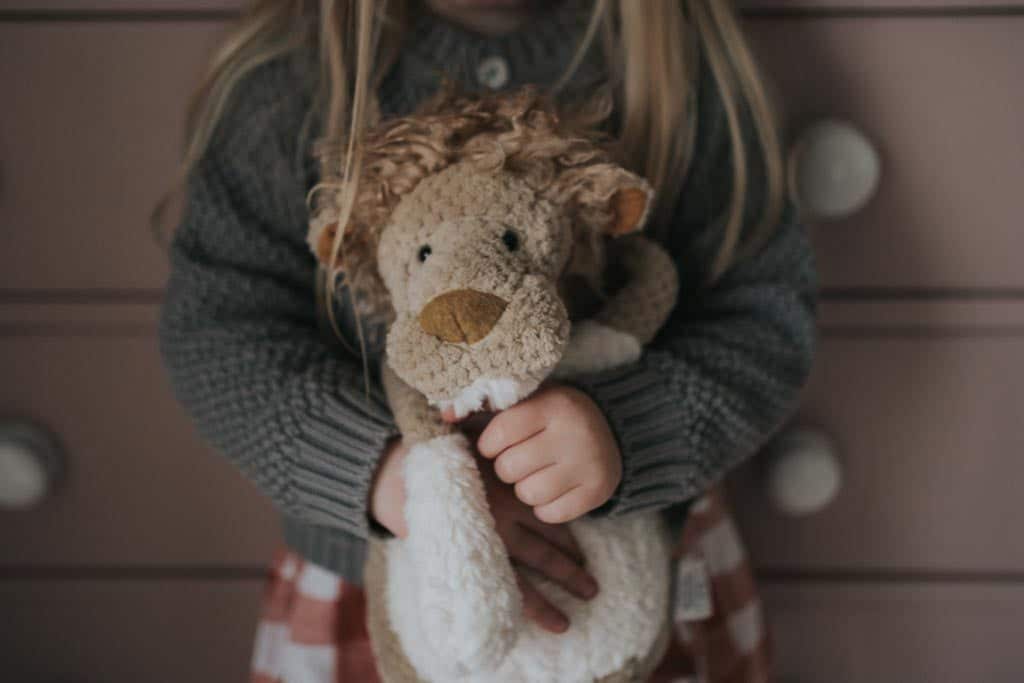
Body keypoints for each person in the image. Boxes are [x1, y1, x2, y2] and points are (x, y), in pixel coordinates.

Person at [158, 0, 818, 680]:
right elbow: (220, 332)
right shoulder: (290, 83)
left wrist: (631, 432)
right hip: (374, 585)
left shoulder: (675, 65)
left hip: (635, 579)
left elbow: (763, 316)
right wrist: (395, 478)